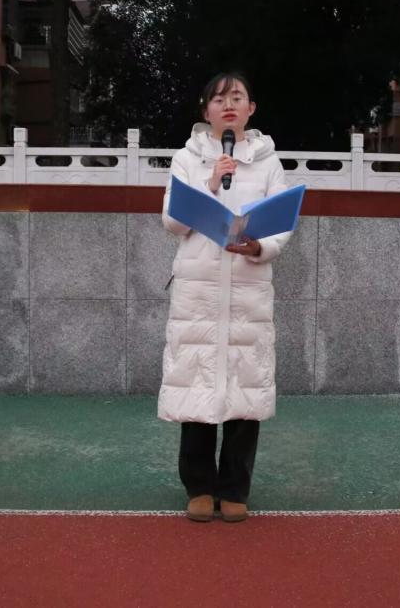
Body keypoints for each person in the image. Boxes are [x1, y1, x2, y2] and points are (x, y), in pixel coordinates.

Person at [159, 72, 293, 523]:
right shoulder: (187, 158)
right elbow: (173, 221)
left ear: (251, 109)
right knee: (196, 388)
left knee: (245, 388)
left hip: (247, 290)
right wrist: (211, 183)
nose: (228, 105)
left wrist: (260, 247)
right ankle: (199, 487)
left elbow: (281, 224)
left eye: (237, 97)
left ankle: (235, 487)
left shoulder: (269, 162)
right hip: (198, 291)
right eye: (219, 99)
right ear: (206, 111)